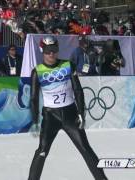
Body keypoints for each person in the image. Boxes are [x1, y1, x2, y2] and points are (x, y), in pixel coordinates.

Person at [28, 36, 108, 180]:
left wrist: (81, 113)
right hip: (50, 116)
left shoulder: (67, 65)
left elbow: (78, 90)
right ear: (42, 51)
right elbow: (33, 98)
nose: (51, 54)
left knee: (86, 149)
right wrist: (34, 120)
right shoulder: (37, 71)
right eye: (47, 51)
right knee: (42, 151)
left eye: (54, 50)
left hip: (70, 115)